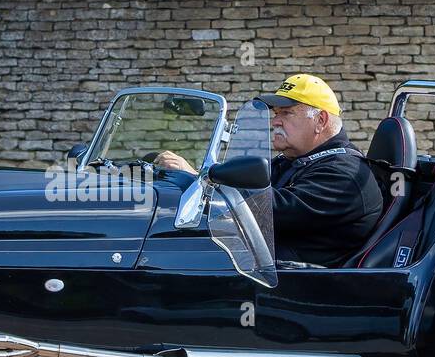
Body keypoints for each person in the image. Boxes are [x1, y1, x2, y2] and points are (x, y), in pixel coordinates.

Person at [155, 74, 382, 266]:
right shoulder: (297, 160)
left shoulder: (347, 175)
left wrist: (199, 177)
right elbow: (245, 184)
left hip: (295, 286)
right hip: (259, 266)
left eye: (287, 113)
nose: (275, 121)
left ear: (320, 120)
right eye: (276, 114)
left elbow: (268, 210)